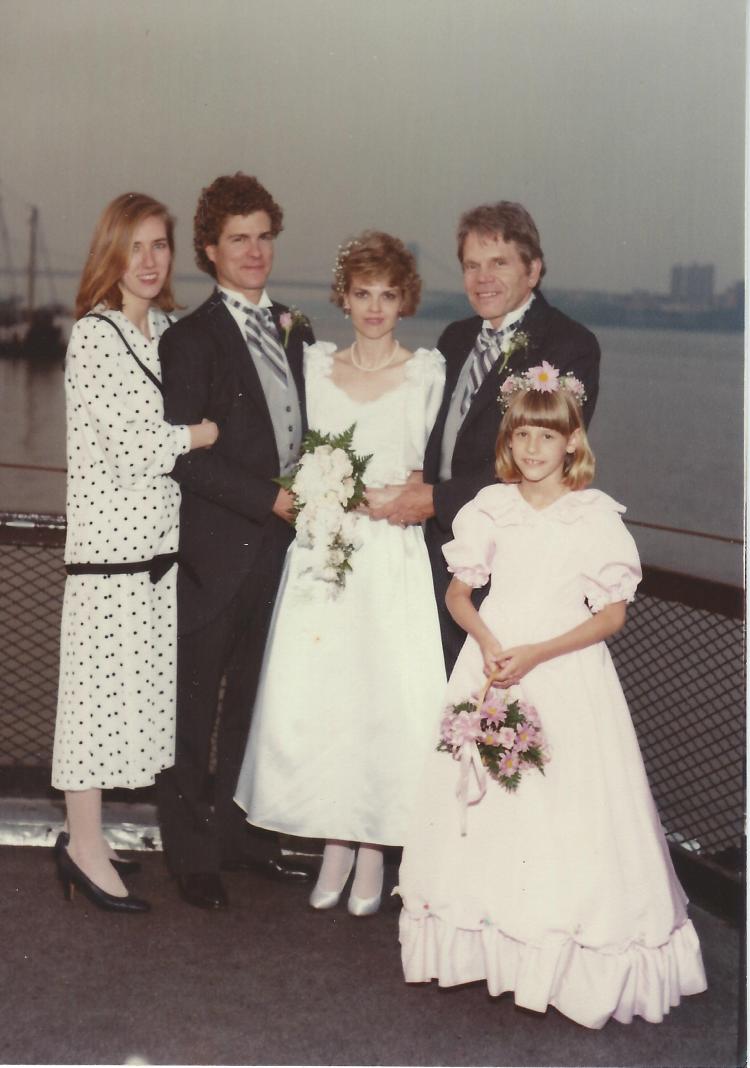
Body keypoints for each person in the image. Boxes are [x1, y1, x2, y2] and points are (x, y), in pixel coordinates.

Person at [397, 369, 707, 1028]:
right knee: (492, 808)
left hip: (564, 669)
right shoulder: (489, 507)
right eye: (525, 434)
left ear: (572, 442)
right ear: (511, 440)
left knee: (569, 809)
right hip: (491, 663)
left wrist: (537, 652)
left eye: (549, 435)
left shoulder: (593, 515)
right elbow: (460, 593)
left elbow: (611, 615)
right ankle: (492, 953)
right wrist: (486, 641)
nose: (535, 448)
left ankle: (565, 966)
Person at [234, 232, 447, 916]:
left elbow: (426, 472)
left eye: (388, 294)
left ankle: (375, 850)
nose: (375, 307)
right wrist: (316, 487)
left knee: (384, 701)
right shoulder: (316, 366)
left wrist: (397, 493)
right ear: (345, 298)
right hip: (326, 554)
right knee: (324, 699)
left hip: (387, 554)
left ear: (405, 299)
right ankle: (334, 841)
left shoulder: (426, 374)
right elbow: (294, 455)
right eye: (363, 294)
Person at [51, 193, 219, 912]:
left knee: (137, 706)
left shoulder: (171, 331)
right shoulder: (95, 335)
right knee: (91, 707)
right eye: (136, 247)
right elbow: (136, 446)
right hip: (108, 561)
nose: (149, 262)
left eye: (160, 246)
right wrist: (201, 436)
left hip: (158, 560)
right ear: (111, 254)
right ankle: (83, 849)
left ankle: (94, 836)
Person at [156, 173, 315, 910]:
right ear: (211, 252)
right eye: (238, 240)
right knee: (192, 707)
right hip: (212, 558)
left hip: (283, 557)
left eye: (263, 236)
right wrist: (270, 498)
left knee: (255, 700)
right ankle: (191, 854)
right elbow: (185, 454)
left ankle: (237, 836)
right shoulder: (190, 339)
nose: (255, 251)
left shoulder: (295, 326)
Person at [369, 202, 601, 673]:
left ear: (532, 270)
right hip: (437, 555)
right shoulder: (454, 338)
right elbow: (440, 438)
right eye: (471, 266)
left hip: (511, 563)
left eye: (499, 263)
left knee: (497, 696)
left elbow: (540, 463)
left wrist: (438, 498)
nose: (482, 278)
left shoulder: (568, 345)